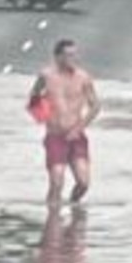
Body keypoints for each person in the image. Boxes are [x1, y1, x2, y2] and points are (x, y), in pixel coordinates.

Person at [28, 39, 100, 206]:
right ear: (57, 57)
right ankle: (52, 218)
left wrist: (80, 127)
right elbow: (34, 96)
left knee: (83, 183)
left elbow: (95, 106)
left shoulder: (83, 77)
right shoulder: (46, 75)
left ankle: (73, 206)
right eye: (68, 55)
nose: (72, 59)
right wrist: (43, 118)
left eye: (74, 55)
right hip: (55, 136)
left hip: (76, 135)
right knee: (57, 181)